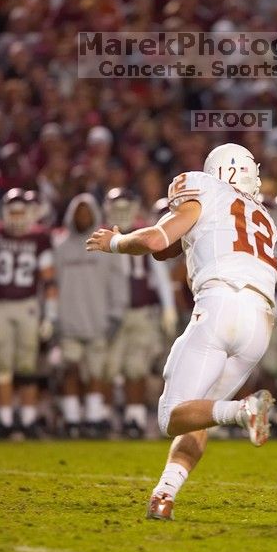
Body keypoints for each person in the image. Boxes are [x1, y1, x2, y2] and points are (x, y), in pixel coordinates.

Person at [86, 143, 277, 520]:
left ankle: (244, 410)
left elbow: (157, 239)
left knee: (171, 414)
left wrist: (115, 242)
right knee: (200, 413)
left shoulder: (202, 186)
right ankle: (164, 494)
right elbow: (177, 246)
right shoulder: (263, 217)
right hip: (260, 325)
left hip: (220, 304)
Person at [103, 187, 178, 438]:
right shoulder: (100, 235)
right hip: (110, 314)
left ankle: (134, 418)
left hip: (142, 312)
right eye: (118, 208)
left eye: (127, 208)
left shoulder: (144, 235)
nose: (122, 213)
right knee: (109, 367)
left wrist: (168, 308)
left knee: (136, 367)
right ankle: (106, 417)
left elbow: (160, 276)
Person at [54, 193, 129, 438]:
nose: (82, 216)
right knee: (71, 370)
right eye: (78, 211)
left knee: (97, 371)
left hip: (99, 320)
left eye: (86, 211)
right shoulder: (60, 247)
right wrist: (52, 318)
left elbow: (118, 282)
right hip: (68, 321)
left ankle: (95, 417)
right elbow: (50, 285)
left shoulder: (106, 244)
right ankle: (73, 419)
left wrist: (116, 313)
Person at [0, 189, 57, 438]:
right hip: (1, 304)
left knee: (27, 366)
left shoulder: (39, 238)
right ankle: (5, 419)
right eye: (13, 212)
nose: (17, 217)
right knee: (2, 367)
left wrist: (50, 315)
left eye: (21, 212)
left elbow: (49, 280)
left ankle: (29, 419)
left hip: (28, 305)